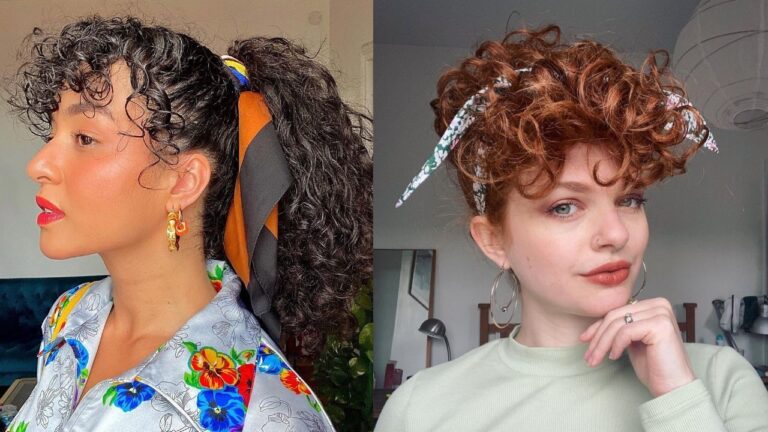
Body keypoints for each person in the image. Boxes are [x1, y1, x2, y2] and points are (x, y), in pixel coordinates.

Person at [377, 25, 768, 431]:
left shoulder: (722, 381)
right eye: (564, 207)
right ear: (493, 240)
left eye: (630, 200)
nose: (615, 234)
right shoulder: (420, 409)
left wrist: (680, 400)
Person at [5, 15, 372, 432]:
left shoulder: (262, 414)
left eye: (85, 138)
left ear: (183, 181)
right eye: (52, 135)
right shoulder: (69, 315)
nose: (39, 164)